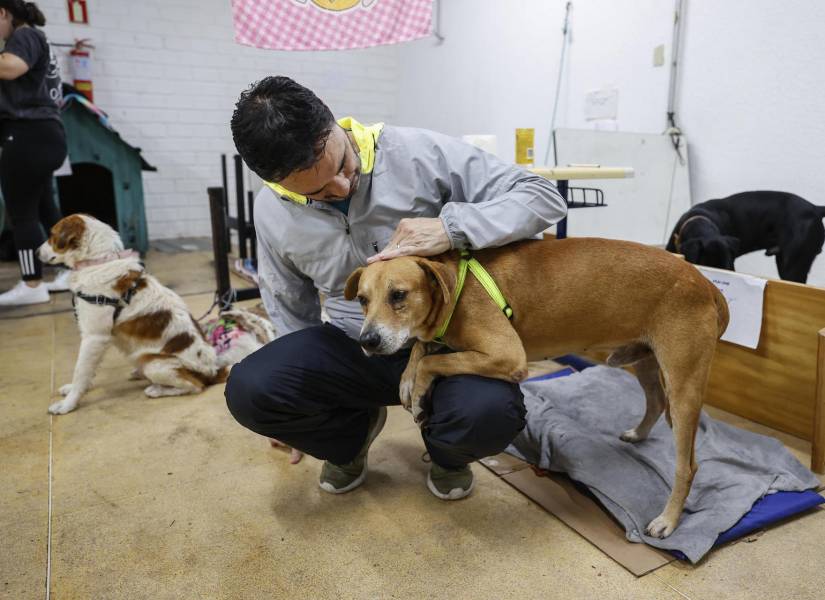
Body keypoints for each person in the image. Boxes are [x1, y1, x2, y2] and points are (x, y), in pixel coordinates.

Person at [226, 76, 567, 499]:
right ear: (278, 183)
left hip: (447, 338)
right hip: (355, 341)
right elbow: (288, 306)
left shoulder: (420, 154)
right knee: (254, 390)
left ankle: (447, 454)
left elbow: (543, 197)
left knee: (489, 414)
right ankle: (350, 438)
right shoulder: (270, 211)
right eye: (316, 193)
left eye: (342, 166)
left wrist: (451, 227)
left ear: (333, 125)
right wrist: (301, 403)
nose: (342, 188)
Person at [0, 0, 69, 306]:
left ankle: (32, 284)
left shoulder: (24, 35)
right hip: (46, 134)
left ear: (3, 13)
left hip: (26, 134)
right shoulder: (39, 38)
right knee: (43, 207)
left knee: (21, 212)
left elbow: (12, 67)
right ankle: (69, 269)